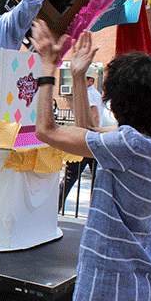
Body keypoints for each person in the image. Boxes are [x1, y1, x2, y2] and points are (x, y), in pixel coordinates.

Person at [31, 20, 151, 301]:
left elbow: (47, 131)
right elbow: (89, 136)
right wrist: (78, 78)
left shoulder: (129, 145)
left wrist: (48, 66)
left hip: (113, 280)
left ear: (119, 103)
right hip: (141, 275)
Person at [58, 64, 103, 210]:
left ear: (90, 81)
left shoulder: (88, 94)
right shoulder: (94, 93)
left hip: (85, 140)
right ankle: (96, 211)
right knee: (97, 181)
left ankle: (54, 209)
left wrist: (87, 133)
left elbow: (94, 116)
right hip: (93, 141)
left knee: (69, 177)